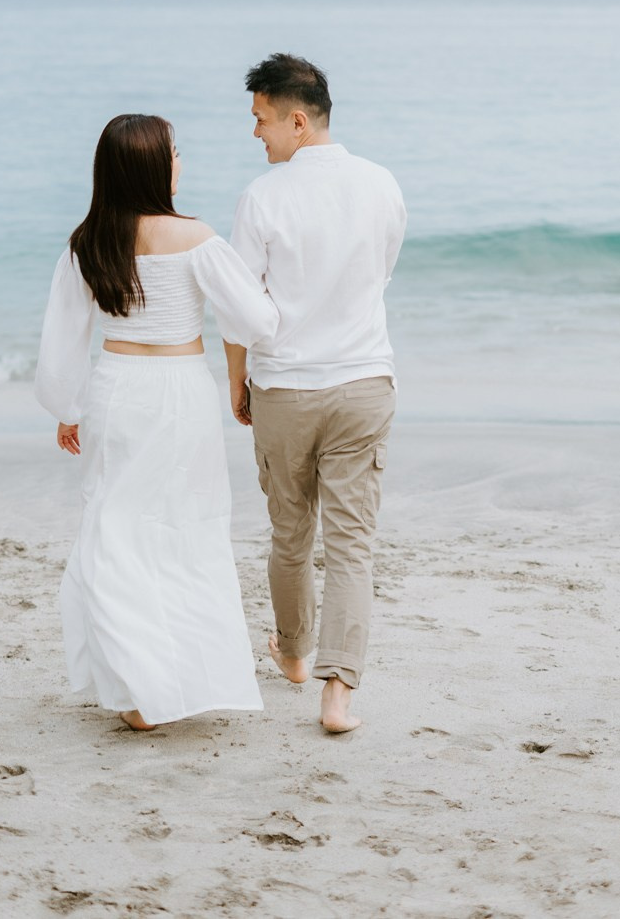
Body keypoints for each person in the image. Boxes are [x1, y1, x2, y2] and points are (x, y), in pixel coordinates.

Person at [34, 113, 279, 731]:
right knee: (186, 527)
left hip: (116, 390)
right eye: (175, 152)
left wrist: (68, 408)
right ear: (152, 165)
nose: (180, 161)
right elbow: (256, 321)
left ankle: (136, 691)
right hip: (180, 393)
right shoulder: (195, 237)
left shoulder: (87, 242)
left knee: (116, 529)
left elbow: (63, 340)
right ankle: (177, 682)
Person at [224, 54, 407, 734]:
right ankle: (338, 697)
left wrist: (237, 382)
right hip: (363, 384)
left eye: (261, 120)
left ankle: (295, 655)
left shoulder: (263, 198)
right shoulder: (382, 184)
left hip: (287, 390)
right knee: (353, 544)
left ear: (297, 121)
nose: (256, 135)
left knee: (290, 534)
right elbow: (379, 274)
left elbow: (241, 308)